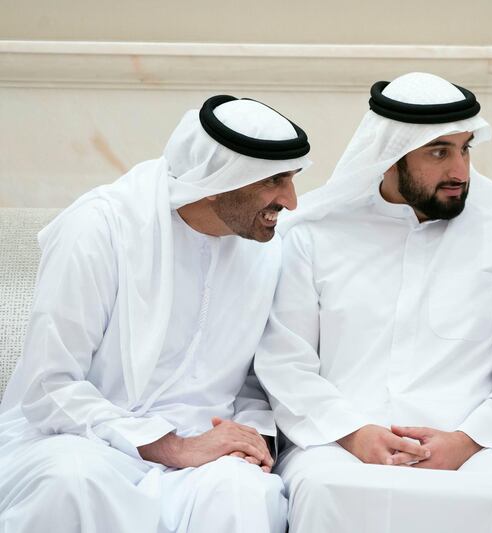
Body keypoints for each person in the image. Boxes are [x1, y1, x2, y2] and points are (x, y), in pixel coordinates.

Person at [0, 95, 312, 533]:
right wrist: (172, 447)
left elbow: (258, 380)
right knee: (68, 481)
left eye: (293, 178)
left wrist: (250, 439)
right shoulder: (100, 228)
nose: (292, 201)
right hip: (88, 441)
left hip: (208, 452)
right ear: (221, 178)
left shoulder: (268, 250)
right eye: (275, 180)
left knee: (243, 496)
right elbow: (48, 386)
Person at [255, 72, 492, 532]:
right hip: (339, 447)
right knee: (324, 491)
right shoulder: (314, 240)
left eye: (465, 148)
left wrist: (466, 441)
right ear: (389, 156)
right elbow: (286, 361)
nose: (460, 172)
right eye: (439, 152)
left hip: (477, 451)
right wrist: (355, 434)